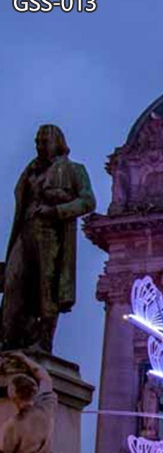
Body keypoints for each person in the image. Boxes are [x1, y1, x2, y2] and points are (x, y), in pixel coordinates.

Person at [1, 124, 95, 352]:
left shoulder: (74, 169)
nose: (39, 146)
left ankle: (43, 341)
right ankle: (11, 337)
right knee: (13, 282)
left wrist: (56, 210)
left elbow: (88, 202)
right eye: (37, 142)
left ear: (57, 143)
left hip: (52, 234)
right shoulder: (30, 171)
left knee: (47, 286)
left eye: (44, 142)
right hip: (25, 232)